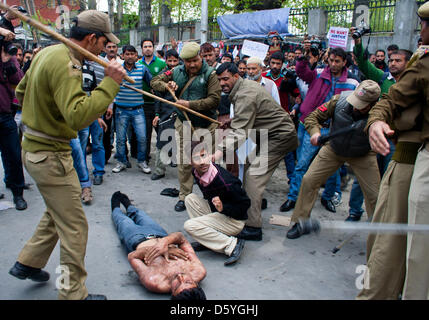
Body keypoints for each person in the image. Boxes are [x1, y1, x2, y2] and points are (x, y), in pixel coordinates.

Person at [9, 10, 126, 300]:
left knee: (58, 211)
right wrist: (110, 83)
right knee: (74, 226)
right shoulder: (68, 63)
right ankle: (71, 292)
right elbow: (76, 117)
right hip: (50, 156)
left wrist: (46, 115)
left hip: (36, 149)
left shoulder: (49, 52)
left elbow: (21, 92)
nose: (103, 49)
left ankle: (27, 262)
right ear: (91, 38)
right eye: (102, 43)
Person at [357, 2, 429, 300]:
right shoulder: (422, 62)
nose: (422, 32)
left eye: (426, 25)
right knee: (389, 236)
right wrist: (375, 122)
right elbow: (392, 98)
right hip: (410, 154)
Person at [213, 62, 298, 241]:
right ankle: (251, 206)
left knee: (253, 177)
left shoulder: (245, 93)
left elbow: (240, 132)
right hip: (263, 133)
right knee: (247, 171)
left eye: (226, 79)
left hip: (278, 136)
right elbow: (250, 115)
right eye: (219, 80)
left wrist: (219, 152)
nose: (222, 83)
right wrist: (232, 121)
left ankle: (253, 228)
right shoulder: (242, 88)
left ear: (237, 76)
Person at [286, 81, 381, 239]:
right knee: (309, 180)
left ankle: (379, 234)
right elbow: (312, 117)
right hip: (334, 149)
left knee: (376, 195)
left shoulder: (380, 112)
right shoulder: (339, 101)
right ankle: (300, 221)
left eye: (362, 105)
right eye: (356, 102)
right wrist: (315, 133)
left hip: (363, 154)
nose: (356, 107)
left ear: (373, 104)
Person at [280, 47, 359, 214]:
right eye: (331, 60)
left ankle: (328, 197)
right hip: (311, 126)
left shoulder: (352, 82)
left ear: (344, 62)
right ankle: (293, 197)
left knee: (333, 168)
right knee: (302, 164)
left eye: (337, 61)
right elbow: (302, 73)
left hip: (334, 130)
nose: (333, 64)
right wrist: (302, 57)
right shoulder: (318, 72)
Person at [349, 29, 412, 221]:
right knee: (362, 177)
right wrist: (358, 43)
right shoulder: (383, 78)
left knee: (387, 179)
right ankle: (354, 211)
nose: (392, 63)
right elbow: (363, 64)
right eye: (391, 60)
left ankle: (380, 215)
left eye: (397, 60)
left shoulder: (414, 84)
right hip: (374, 135)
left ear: (409, 64)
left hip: (397, 141)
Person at [151, 42, 221, 212]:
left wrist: (189, 104)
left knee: (207, 163)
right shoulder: (176, 71)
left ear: (201, 57)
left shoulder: (211, 74)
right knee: (184, 163)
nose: (191, 65)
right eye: (187, 61)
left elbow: (214, 100)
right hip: (184, 124)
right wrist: (167, 85)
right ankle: (184, 196)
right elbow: (155, 81)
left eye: (195, 60)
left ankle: (212, 196)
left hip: (206, 124)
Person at [111, 191, 207, 299]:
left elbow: (132, 256)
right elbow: (181, 238)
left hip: (136, 239)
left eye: (176, 286)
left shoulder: (154, 281)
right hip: (159, 234)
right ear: (197, 285)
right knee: (140, 214)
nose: (180, 277)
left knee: (121, 220)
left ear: (172, 294)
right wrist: (164, 243)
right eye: (188, 281)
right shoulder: (198, 270)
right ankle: (128, 205)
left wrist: (160, 250)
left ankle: (115, 207)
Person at [184, 141, 250, 265]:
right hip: (219, 212)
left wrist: (222, 208)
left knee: (190, 225)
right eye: (197, 158)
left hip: (234, 220)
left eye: (204, 156)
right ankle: (207, 241)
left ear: (210, 155)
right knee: (190, 198)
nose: (202, 162)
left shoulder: (226, 181)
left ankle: (232, 245)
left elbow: (244, 205)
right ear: (190, 162)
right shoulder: (196, 172)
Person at [112, 45, 152, 174]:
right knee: (120, 139)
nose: (130, 56)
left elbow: (152, 83)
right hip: (120, 110)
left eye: (132, 54)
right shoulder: (117, 69)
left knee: (142, 137)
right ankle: (121, 162)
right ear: (122, 55)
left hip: (138, 110)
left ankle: (141, 161)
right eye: (127, 54)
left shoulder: (142, 68)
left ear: (136, 55)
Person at [0, 26, 27, 210]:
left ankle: (18, 193)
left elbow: (19, 79)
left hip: (5, 115)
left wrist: (7, 60)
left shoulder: (8, 59)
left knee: (14, 155)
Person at [151, 49, 180, 180]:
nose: (173, 63)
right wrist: (157, 114)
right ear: (166, 61)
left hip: (182, 110)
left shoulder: (184, 75)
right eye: (170, 60)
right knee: (162, 140)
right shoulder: (162, 76)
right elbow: (157, 97)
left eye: (175, 60)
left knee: (187, 142)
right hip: (165, 112)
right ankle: (159, 170)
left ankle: (191, 174)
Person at [138, 39, 167, 162]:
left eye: (150, 46)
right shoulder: (138, 64)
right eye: (145, 46)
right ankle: (145, 157)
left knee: (162, 132)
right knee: (145, 134)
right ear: (142, 49)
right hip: (142, 104)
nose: (148, 48)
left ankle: (166, 157)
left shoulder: (161, 63)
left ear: (153, 48)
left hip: (158, 104)